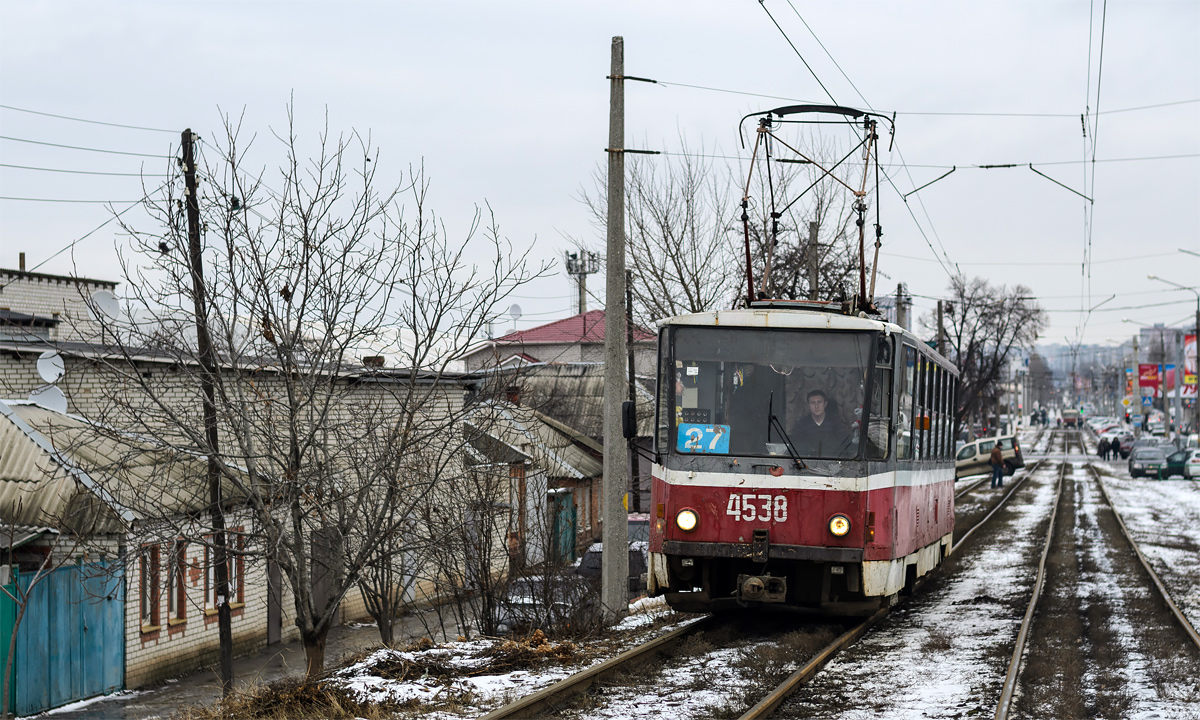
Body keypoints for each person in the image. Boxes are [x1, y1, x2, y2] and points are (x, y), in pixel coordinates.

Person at [793, 389, 850, 457]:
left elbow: (845, 444)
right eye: (812, 403)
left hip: (832, 460)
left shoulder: (836, 422)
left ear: (825, 404)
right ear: (808, 406)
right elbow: (797, 446)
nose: (816, 406)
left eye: (819, 402)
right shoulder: (801, 425)